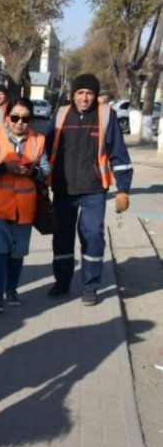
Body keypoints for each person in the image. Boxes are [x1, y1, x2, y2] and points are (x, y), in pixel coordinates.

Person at [45, 73, 132, 306]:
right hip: (63, 188)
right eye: (80, 93)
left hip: (94, 189)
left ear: (95, 96)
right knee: (62, 237)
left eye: (89, 93)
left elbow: (119, 154)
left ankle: (90, 286)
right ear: (73, 95)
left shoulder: (106, 116)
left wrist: (123, 189)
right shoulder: (61, 114)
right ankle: (62, 282)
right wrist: (40, 182)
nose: (84, 98)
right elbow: (44, 149)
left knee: (92, 234)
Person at [0, 97, 51, 312]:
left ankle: (12, 289)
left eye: (25, 119)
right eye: (15, 117)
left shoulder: (38, 140)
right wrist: (2, 168)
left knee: (17, 252)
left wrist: (34, 172)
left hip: (25, 209)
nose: (20, 122)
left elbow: (46, 168)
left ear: (30, 120)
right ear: (7, 118)